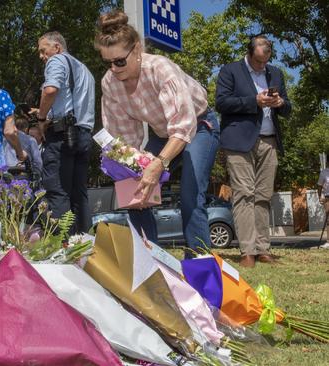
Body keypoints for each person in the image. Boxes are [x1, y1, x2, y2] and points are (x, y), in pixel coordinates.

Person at [95, 10, 220, 255]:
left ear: (137, 49)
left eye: (120, 61)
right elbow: (124, 139)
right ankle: (150, 259)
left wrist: (159, 163)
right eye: (107, 62)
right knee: (134, 188)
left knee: (190, 193)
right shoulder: (109, 83)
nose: (114, 68)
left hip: (198, 127)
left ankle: (199, 260)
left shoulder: (160, 69)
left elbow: (183, 126)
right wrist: (130, 167)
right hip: (161, 134)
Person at [215, 35, 291, 267]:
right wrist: (253, 101)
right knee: (244, 194)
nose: (262, 66)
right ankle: (247, 251)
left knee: (263, 196)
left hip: (269, 142)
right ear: (249, 53)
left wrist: (281, 104)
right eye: (258, 62)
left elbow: (288, 108)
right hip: (239, 141)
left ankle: (263, 249)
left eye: (265, 61)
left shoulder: (275, 73)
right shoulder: (230, 71)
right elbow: (221, 103)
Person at [35, 31, 95, 233]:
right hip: (83, 134)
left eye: (43, 51)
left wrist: (42, 118)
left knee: (58, 191)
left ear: (57, 47)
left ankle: (62, 248)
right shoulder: (85, 70)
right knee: (79, 193)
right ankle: (85, 242)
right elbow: (72, 103)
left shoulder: (57, 60)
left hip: (61, 135)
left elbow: (50, 90)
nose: (42, 57)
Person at [317, 167, 329, 249]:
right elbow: (319, 186)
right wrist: (320, 196)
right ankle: (328, 242)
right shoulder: (324, 172)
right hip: (328, 198)